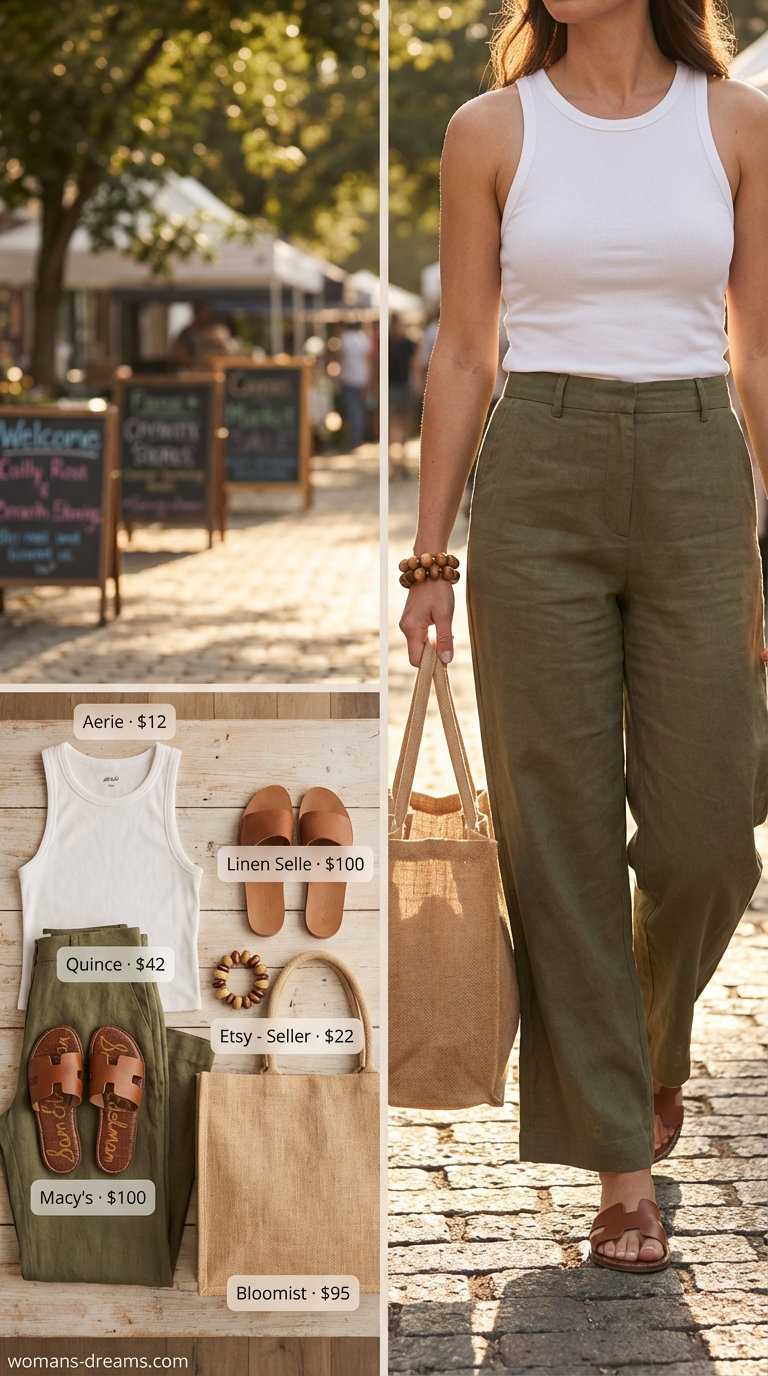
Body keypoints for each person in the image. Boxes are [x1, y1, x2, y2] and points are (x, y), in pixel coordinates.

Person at [399, 0, 768, 1274]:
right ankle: (624, 1170)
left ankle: (644, 1052)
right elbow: (462, 352)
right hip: (537, 478)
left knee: (710, 835)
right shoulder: (489, 128)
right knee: (556, 837)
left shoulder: (737, 123)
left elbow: (758, 345)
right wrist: (431, 557)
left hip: (694, 471)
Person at [338, 319, 371, 449]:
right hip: (361, 378)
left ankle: (356, 438)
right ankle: (359, 437)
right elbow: (368, 359)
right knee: (359, 409)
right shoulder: (363, 338)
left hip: (349, 378)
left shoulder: (345, 338)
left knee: (353, 409)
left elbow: (340, 357)